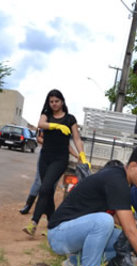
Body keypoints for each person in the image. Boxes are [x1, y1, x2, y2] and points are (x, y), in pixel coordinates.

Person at [23, 89, 90, 235]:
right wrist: (56, 126)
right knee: (47, 191)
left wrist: (82, 155)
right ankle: (53, 224)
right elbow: (41, 124)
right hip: (45, 157)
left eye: (56, 101)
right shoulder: (46, 115)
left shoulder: (70, 119)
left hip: (60, 159)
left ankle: (33, 223)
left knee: (45, 188)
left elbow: (77, 139)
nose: (54, 104)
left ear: (62, 102)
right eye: (51, 101)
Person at [19, 129, 44, 215]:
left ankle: (44, 208)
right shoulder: (47, 120)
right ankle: (28, 205)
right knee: (38, 181)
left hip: (59, 158)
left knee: (51, 185)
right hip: (46, 154)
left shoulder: (67, 121)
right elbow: (39, 138)